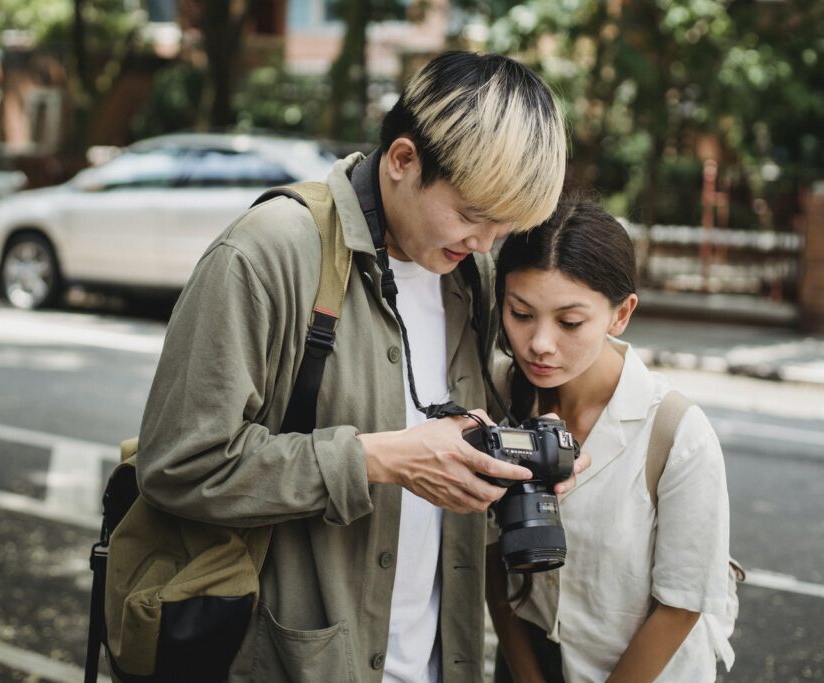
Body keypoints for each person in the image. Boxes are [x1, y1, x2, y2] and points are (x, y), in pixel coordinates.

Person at [135, 52, 577, 682]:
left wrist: (519, 464)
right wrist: (378, 458)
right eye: (473, 215)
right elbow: (178, 463)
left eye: (503, 226)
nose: (485, 242)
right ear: (403, 161)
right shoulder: (269, 253)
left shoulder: (470, 277)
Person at [485, 198, 733, 683]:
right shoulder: (498, 397)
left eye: (569, 322)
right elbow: (492, 558)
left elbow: (681, 605)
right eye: (520, 313)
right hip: (526, 661)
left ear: (621, 315)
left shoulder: (676, 434)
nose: (540, 343)